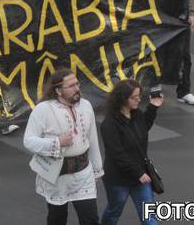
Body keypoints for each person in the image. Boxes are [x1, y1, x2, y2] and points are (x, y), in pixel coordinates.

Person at [23, 68, 103, 225]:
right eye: (71, 86)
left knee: (91, 219)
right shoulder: (43, 109)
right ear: (58, 90)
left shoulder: (85, 105)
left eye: (77, 84)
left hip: (83, 174)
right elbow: (29, 141)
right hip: (57, 177)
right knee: (57, 219)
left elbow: (92, 138)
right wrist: (57, 142)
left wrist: (97, 168)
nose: (77, 88)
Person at [99, 79, 163, 225]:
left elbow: (143, 128)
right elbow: (117, 154)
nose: (139, 100)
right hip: (119, 179)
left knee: (149, 216)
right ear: (123, 99)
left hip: (141, 177)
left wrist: (153, 107)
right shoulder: (109, 124)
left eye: (139, 96)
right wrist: (138, 173)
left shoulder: (136, 114)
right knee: (114, 211)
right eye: (134, 97)